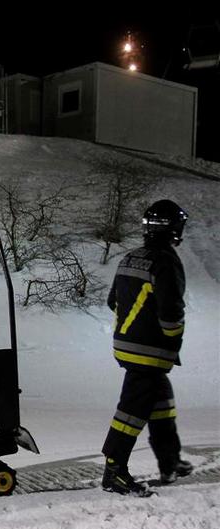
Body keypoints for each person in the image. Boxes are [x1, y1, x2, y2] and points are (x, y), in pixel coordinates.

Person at [102, 200, 193, 496]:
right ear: (172, 229)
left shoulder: (130, 257)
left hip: (127, 345)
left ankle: (169, 463)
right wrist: (172, 338)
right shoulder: (165, 260)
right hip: (149, 351)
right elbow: (171, 312)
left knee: (161, 401)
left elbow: (112, 300)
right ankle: (114, 471)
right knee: (132, 410)